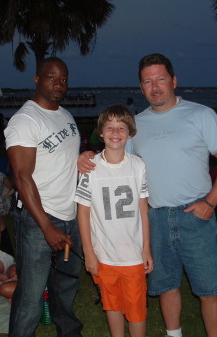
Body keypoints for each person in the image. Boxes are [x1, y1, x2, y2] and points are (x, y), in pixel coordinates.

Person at [79, 53, 217, 337]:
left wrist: (210, 203)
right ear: (141, 87)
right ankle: (173, 334)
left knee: (208, 289)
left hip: (196, 215)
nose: (155, 87)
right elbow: (114, 157)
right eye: (147, 81)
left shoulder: (201, 115)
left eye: (161, 79)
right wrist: (88, 154)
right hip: (154, 217)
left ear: (174, 81)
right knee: (166, 286)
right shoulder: (136, 126)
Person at [4, 57, 83, 337]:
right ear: (37, 79)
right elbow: (22, 177)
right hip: (39, 221)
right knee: (31, 295)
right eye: (51, 77)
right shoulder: (26, 120)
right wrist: (46, 226)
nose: (58, 83)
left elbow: (64, 161)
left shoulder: (65, 115)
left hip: (69, 216)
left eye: (63, 78)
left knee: (66, 287)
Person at [75, 105, 153, 337]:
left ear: (130, 133)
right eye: (110, 127)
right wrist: (89, 253)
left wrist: (146, 248)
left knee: (137, 309)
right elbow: (83, 212)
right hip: (104, 254)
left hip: (133, 255)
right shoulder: (91, 168)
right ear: (101, 132)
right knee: (112, 305)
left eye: (122, 127)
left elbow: (143, 209)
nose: (116, 132)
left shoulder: (138, 165)